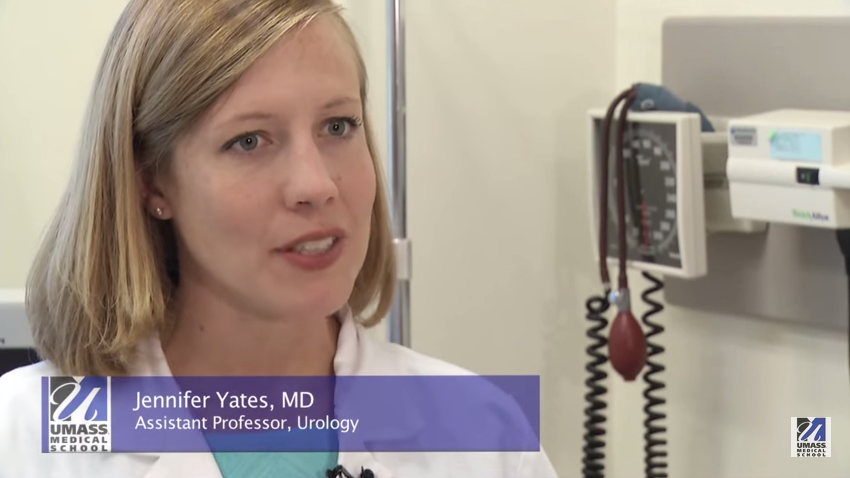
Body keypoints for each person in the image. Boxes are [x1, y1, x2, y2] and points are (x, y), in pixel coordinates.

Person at [0, 1, 559, 477]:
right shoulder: (25, 434)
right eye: (249, 141)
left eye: (338, 126)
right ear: (150, 181)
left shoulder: (483, 439)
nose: (316, 185)